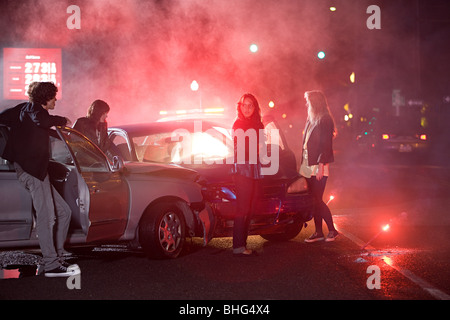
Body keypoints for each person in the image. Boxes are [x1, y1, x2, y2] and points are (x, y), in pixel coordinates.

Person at [0, 81, 80, 277]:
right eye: (53, 97)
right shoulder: (37, 111)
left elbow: (7, 119)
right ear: (46, 98)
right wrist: (62, 120)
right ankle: (51, 263)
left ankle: (57, 255)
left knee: (64, 212)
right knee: (47, 217)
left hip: (36, 171)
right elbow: (42, 120)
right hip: (32, 171)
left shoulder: (22, 109)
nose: (55, 100)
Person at [300, 90, 339, 242]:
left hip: (318, 164)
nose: (307, 104)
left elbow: (326, 145)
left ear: (315, 103)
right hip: (308, 164)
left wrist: (321, 166)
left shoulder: (325, 119)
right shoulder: (312, 118)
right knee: (313, 199)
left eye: (309, 101)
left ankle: (332, 230)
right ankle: (318, 232)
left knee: (317, 199)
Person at [231, 93, 265, 256]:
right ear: (240, 106)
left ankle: (242, 244)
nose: (247, 108)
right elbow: (242, 147)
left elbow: (260, 147)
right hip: (243, 169)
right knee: (243, 207)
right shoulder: (238, 124)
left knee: (250, 208)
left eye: (250, 105)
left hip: (253, 167)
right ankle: (238, 245)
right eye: (244, 105)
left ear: (255, 107)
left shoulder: (259, 124)